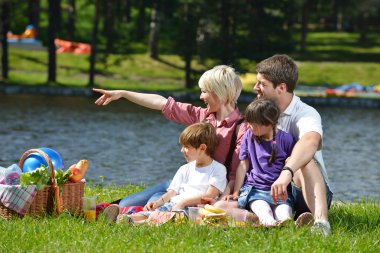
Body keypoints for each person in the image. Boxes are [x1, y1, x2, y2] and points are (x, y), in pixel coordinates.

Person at [93, 65, 247, 207]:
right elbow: (162, 103)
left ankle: (155, 209)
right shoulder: (202, 116)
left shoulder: (242, 128)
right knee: (124, 204)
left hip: (206, 189)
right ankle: (153, 205)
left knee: (147, 205)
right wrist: (123, 94)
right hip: (183, 182)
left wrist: (224, 199)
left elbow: (234, 173)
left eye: (205, 91)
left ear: (220, 92)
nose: (201, 96)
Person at [216, 54, 333, 235]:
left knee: (306, 161)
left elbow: (311, 141)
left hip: (301, 190)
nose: (256, 88)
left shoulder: (305, 113)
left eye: (262, 84)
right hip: (263, 189)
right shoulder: (260, 112)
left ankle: (320, 223)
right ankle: (269, 220)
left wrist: (287, 172)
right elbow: (244, 158)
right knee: (223, 206)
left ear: (281, 87)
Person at [104, 122, 227, 223]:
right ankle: (126, 219)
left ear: (202, 148)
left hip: (194, 209)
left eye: (186, 147)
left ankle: (131, 221)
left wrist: (183, 202)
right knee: (154, 212)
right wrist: (157, 202)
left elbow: (209, 196)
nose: (182, 150)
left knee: (165, 218)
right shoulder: (185, 168)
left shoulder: (218, 169)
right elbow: (171, 192)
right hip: (174, 204)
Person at [223, 99, 296, 226]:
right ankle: (269, 223)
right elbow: (243, 165)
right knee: (263, 209)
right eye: (249, 122)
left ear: (269, 123)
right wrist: (236, 192)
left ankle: (287, 223)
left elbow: (291, 166)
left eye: (254, 124)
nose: (250, 126)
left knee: (283, 211)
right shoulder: (249, 135)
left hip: (279, 193)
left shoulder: (287, 140)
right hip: (255, 190)